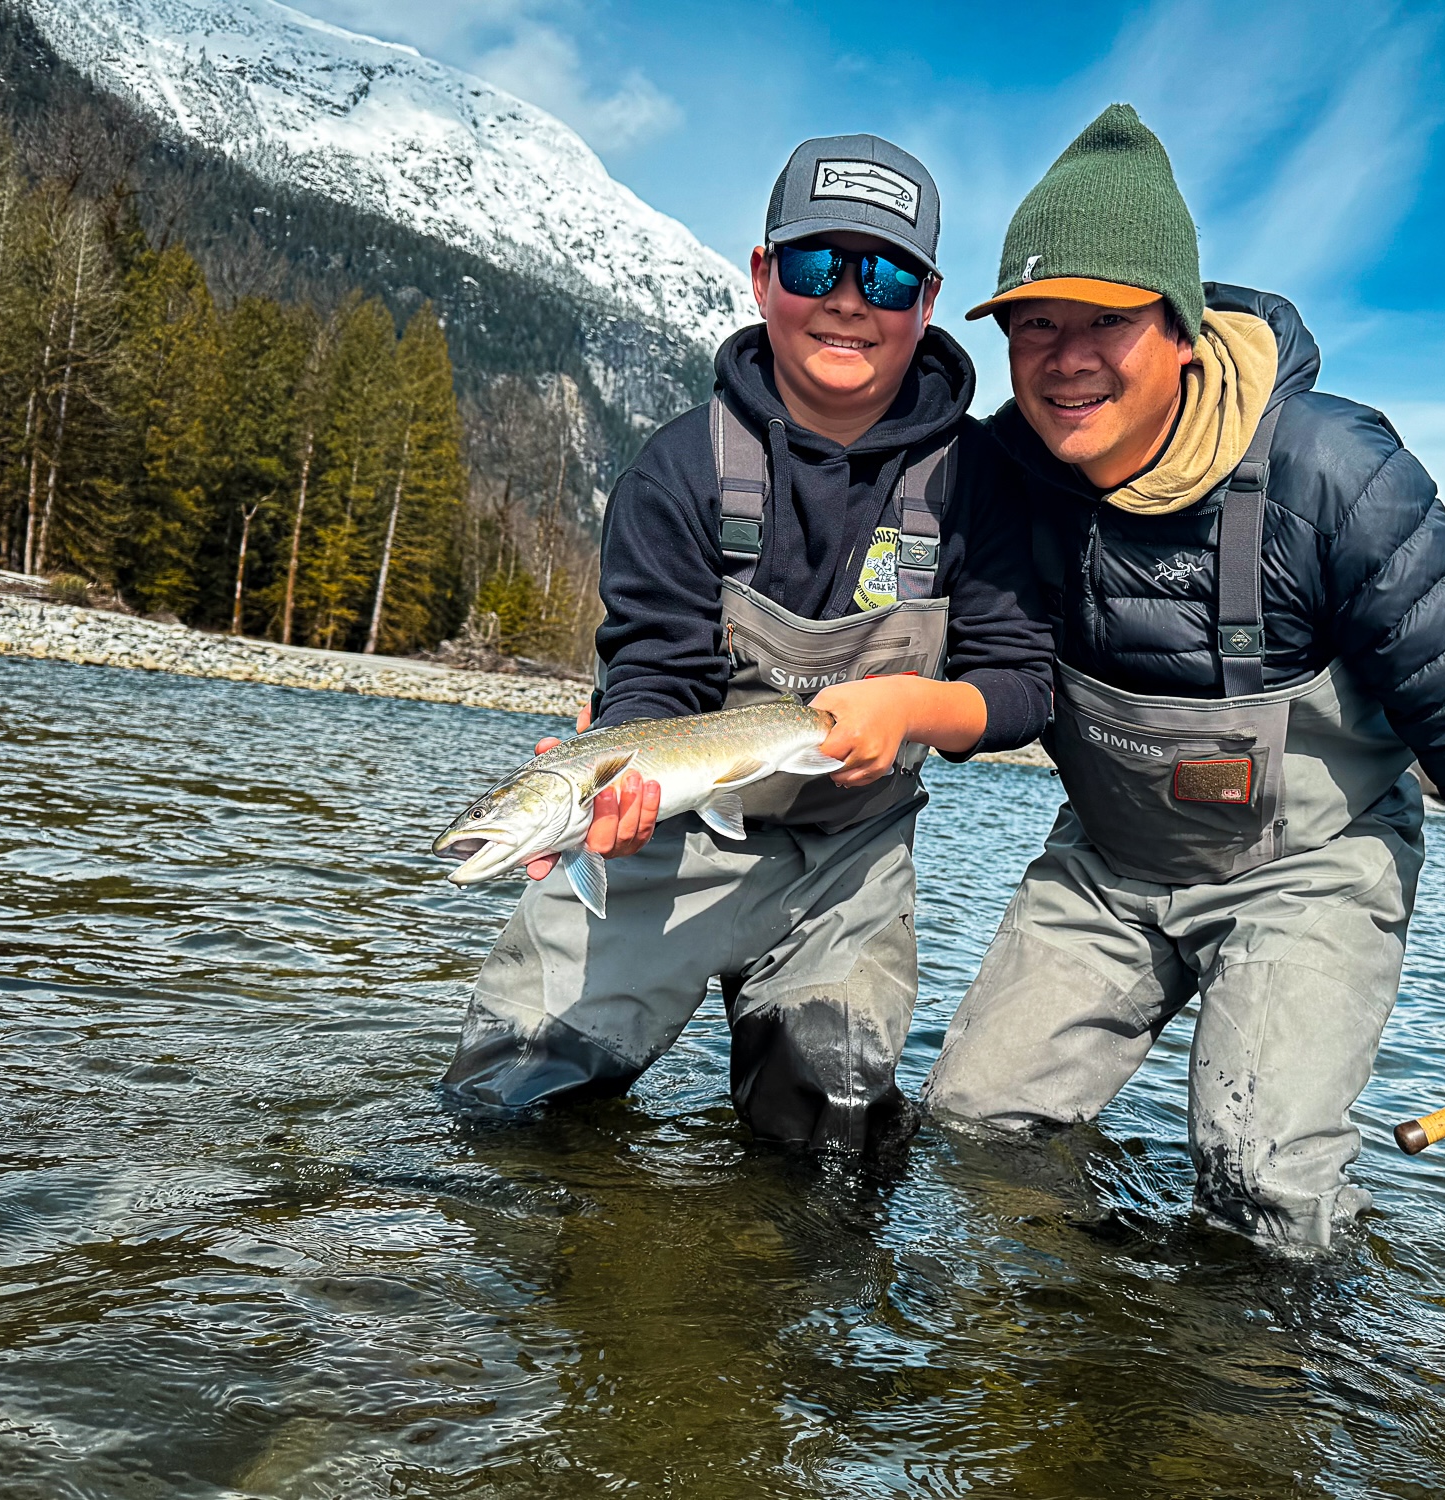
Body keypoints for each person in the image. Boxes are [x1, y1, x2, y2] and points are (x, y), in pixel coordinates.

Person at [921, 105, 1445, 1244]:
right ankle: (1074, 1326)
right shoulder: (1004, 473)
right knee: (971, 1127)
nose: (1065, 357)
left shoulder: (1334, 474)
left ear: (1182, 327)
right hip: (1110, 861)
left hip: (1311, 866)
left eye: (1106, 319)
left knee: (1260, 1178)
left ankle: (1275, 1343)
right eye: (1034, 323)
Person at [441, 134, 1053, 1152]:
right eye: (816, 266)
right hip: (668, 842)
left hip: (848, 860)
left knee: (829, 1155)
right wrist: (621, 764)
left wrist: (910, 707)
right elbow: (653, 669)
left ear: (928, 302)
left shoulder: (979, 481)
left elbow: (1021, 686)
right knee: (500, 1115)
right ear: (764, 276)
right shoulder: (678, 469)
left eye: (886, 276)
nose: (848, 300)